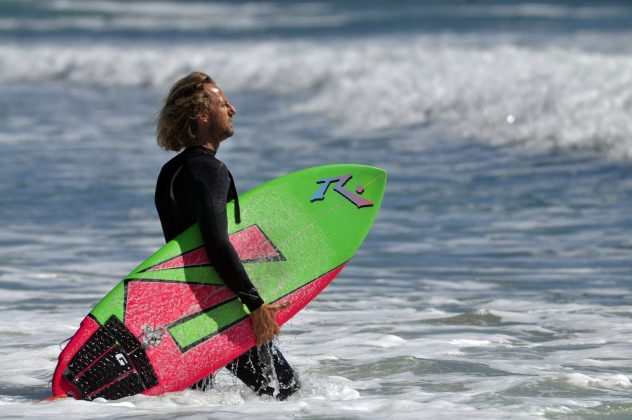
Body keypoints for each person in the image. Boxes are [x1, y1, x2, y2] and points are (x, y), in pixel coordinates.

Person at [154, 71, 300, 400]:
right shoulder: (208, 171)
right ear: (202, 115)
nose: (232, 109)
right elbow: (216, 244)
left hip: (187, 309)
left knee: (195, 402)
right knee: (288, 392)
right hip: (220, 309)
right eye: (223, 104)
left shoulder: (171, 172)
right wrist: (255, 304)